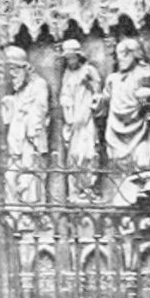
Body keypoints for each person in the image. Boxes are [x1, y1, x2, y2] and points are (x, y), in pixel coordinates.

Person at [101, 37, 150, 182]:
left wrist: (146, 102)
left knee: (142, 162)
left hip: (140, 129)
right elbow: (105, 101)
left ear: (135, 54)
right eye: (118, 55)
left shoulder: (146, 75)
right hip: (116, 128)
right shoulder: (113, 79)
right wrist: (98, 101)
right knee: (117, 162)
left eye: (125, 54)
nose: (120, 58)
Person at [0, 45, 50, 208]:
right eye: (10, 70)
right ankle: (13, 214)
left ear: (25, 69)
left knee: (29, 179)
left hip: (29, 143)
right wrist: (10, 104)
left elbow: (40, 111)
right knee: (10, 177)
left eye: (15, 69)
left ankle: (31, 215)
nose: (12, 74)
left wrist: (31, 133)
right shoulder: (19, 91)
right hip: (16, 146)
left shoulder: (38, 85)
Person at [58, 38, 101, 197]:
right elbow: (64, 93)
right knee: (74, 155)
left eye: (72, 58)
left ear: (79, 56)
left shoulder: (89, 70)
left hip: (86, 116)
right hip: (72, 118)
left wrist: (91, 87)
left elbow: (98, 92)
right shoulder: (67, 74)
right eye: (67, 59)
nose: (70, 62)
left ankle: (88, 187)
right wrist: (65, 102)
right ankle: (75, 190)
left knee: (87, 152)